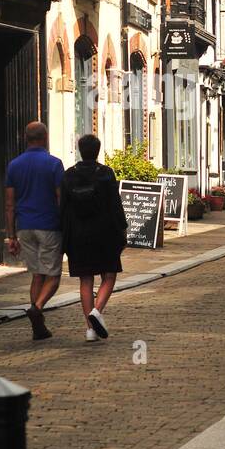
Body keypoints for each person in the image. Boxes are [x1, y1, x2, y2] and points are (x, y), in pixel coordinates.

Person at [61, 133, 127, 341]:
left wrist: (64, 236)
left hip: (79, 234)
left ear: (80, 150)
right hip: (105, 232)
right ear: (98, 150)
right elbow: (115, 205)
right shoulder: (106, 173)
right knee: (109, 274)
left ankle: (90, 330)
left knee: (85, 279)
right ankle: (97, 312)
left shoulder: (69, 175)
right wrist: (122, 229)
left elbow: (63, 208)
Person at [5, 121, 64, 340]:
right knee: (54, 275)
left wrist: (11, 235)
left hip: (24, 227)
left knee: (37, 274)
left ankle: (37, 326)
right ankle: (36, 308)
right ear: (45, 137)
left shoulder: (14, 165)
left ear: (25, 138)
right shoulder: (54, 164)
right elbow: (61, 198)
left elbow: (9, 203)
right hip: (49, 225)